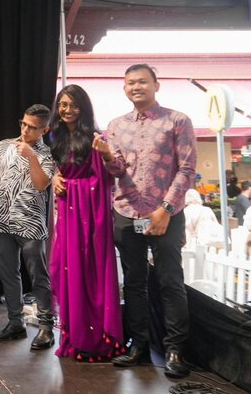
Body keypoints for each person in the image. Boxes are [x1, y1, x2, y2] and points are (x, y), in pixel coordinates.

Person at [105, 63, 196, 379]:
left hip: (165, 216)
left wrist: (166, 209)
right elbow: (116, 170)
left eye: (142, 81)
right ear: (125, 88)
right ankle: (138, 346)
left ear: (156, 84)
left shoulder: (177, 120)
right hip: (126, 214)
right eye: (130, 83)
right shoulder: (115, 125)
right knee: (133, 283)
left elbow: (187, 170)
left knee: (170, 281)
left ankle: (175, 350)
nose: (136, 87)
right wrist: (105, 155)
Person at [48, 85, 123, 361]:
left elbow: (103, 180)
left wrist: (75, 185)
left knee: (89, 270)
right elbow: (57, 170)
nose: (68, 110)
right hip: (67, 215)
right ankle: (73, 335)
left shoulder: (95, 138)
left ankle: (95, 338)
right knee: (64, 268)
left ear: (84, 108)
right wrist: (56, 178)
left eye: (74, 105)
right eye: (63, 105)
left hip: (90, 217)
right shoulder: (55, 138)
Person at [0, 104, 56, 351]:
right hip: (1, 220)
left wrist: (31, 156)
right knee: (9, 274)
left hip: (30, 223)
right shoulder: (4, 145)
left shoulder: (48, 154)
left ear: (45, 129)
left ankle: (46, 326)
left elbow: (40, 185)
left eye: (32, 127)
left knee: (38, 275)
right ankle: (16, 322)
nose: (26, 129)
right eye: (23, 123)